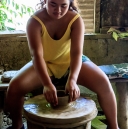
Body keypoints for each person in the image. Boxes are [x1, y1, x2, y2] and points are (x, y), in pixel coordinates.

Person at [5, 0, 119, 129]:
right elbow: (37, 56)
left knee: (103, 83)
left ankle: (114, 126)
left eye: (63, 5)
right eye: (53, 4)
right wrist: (47, 84)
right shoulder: (34, 21)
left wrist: (72, 79)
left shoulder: (75, 19)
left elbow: (76, 53)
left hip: (71, 62)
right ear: (45, 1)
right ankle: (17, 125)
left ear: (69, 4)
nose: (58, 10)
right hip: (45, 63)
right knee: (14, 88)